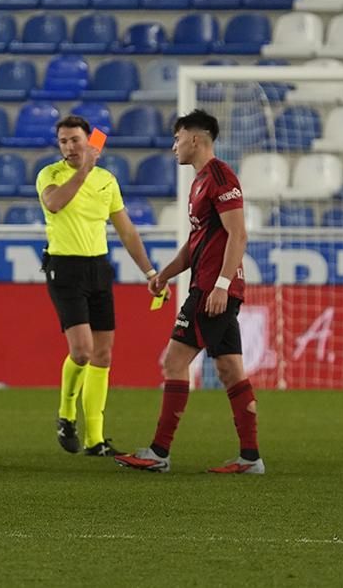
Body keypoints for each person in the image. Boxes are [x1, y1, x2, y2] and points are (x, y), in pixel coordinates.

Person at [115, 109, 263, 475]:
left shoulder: (220, 175)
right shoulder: (199, 183)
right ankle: (250, 458)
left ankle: (158, 452)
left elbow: (238, 234)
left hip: (213, 288)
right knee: (230, 369)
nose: (173, 146)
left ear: (196, 139)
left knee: (173, 362)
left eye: (177, 139)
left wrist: (222, 286)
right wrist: (164, 274)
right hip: (210, 285)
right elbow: (197, 241)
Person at [37, 115, 157, 457]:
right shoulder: (51, 175)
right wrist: (84, 170)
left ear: (90, 141)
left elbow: (127, 231)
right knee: (83, 351)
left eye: (75, 139)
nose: (69, 146)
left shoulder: (107, 180)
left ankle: (95, 439)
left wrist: (150, 273)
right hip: (64, 267)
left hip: (99, 267)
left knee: (103, 355)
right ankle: (65, 415)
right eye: (63, 141)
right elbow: (55, 203)